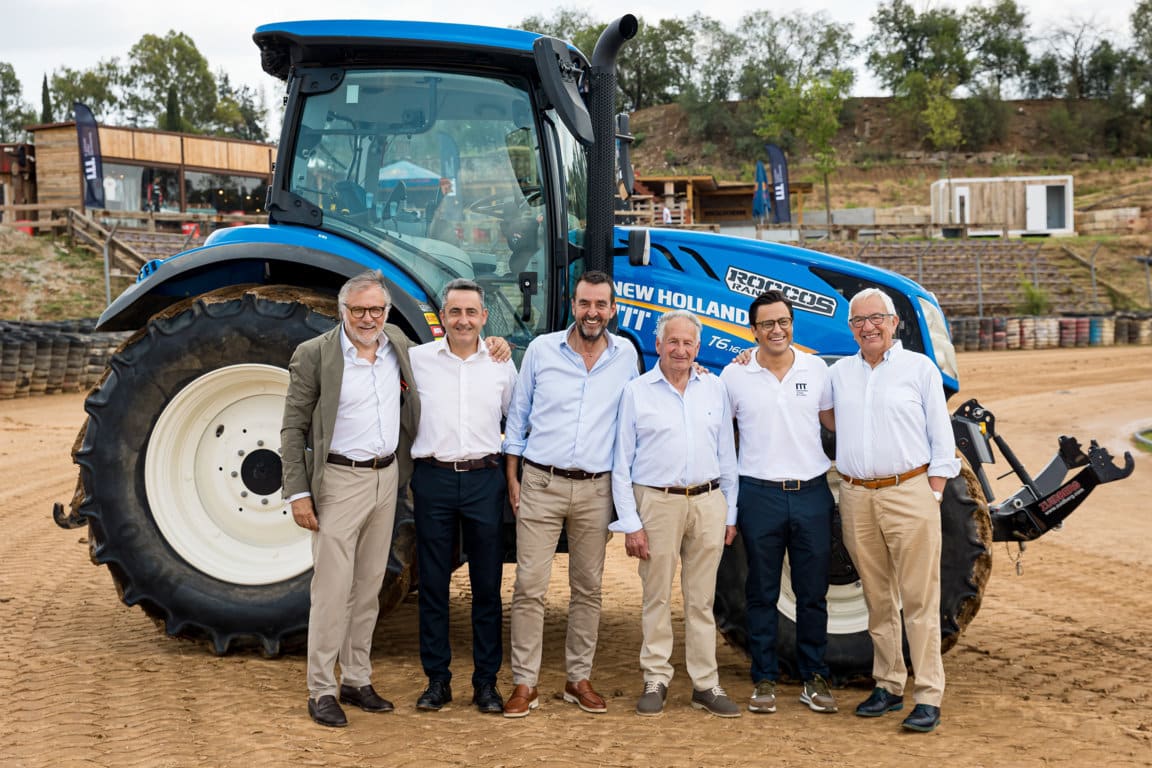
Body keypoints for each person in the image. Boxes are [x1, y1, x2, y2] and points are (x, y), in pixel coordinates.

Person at [281, 270, 420, 728]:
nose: (368, 318)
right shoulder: (315, 354)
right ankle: (320, 688)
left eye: (375, 309)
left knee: (368, 589)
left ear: (386, 312)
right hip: (339, 482)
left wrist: (494, 347)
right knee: (331, 591)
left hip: (386, 479)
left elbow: (446, 358)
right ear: (341, 311)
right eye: (358, 309)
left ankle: (357, 678)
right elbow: (292, 428)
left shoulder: (396, 342)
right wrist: (299, 493)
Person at [501, 270, 638, 718]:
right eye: (585, 304)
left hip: (597, 489)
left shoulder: (626, 356)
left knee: (589, 589)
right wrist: (513, 478)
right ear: (572, 306)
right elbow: (517, 417)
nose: (592, 312)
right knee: (529, 587)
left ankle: (578, 679)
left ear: (612, 309)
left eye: (601, 305)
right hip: (541, 482)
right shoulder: (541, 350)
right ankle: (525, 683)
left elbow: (636, 421)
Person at [829, 287, 959, 733]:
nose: (868, 327)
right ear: (850, 328)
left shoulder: (919, 369)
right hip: (855, 495)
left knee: (921, 598)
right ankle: (888, 684)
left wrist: (934, 491)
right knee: (877, 597)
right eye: (859, 321)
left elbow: (942, 437)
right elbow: (818, 409)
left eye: (876, 318)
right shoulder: (840, 373)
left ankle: (928, 694)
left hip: (909, 492)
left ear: (893, 322)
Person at [611, 309, 741, 718]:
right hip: (657, 502)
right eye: (673, 342)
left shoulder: (715, 388)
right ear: (659, 345)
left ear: (697, 348)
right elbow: (622, 462)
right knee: (656, 595)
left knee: (701, 600)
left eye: (688, 343)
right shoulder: (637, 391)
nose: (680, 349)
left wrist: (730, 513)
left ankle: (706, 683)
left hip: (708, 502)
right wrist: (631, 523)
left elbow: (727, 455)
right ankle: (656, 677)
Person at [721, 290, 839, 715]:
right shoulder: (733, 376)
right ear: (753, 331)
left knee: (812, 594)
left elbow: (834, 422)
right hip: (759, 495)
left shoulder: (816, 370)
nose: (777, 330)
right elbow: (721, 435)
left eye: (783, 321)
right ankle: (764, 679)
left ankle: (814, 676)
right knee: (761, 593)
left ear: (792, 324)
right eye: (767, 324)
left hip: (811, 493)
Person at [408, 278, 517, 714]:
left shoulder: (500, 364)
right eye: (455, 312)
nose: (463, 320)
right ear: (442, 316)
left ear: (484, 317)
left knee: (487, 587)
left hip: (483, 479)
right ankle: (437, 680)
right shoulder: (417, 360)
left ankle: (486, 684)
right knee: (433, 585)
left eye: (471, 313)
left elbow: (516, 418)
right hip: (432, 478)